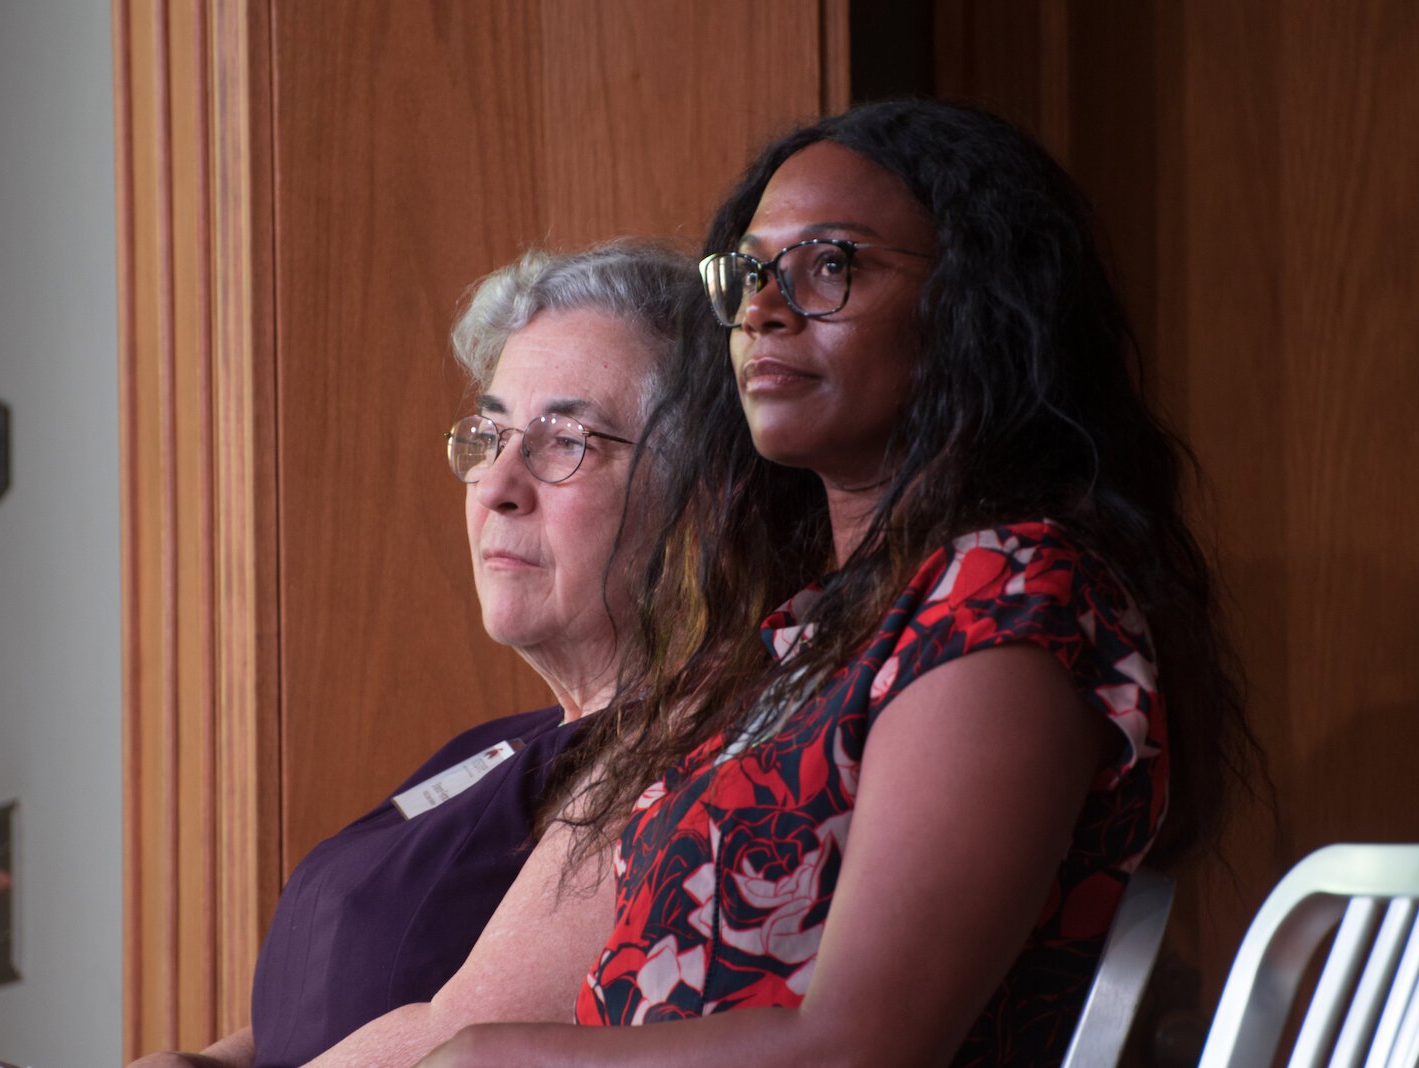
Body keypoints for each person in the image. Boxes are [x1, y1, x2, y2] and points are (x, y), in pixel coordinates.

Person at [419, 100, 1260, 1067]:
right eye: (750, 275)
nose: (765, 310)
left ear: (969, 307)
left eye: (831, 266)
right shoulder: (807, 632)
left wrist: (489, 1058)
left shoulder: (1008, 599)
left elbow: (862, 1050)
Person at [129, 240, 697, 1068]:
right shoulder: (496, 745)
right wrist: (207, 1062)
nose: (499, 482)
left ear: (695, 491)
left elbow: (454, 1042)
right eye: (493, 433)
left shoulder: (674, 754)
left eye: (565, 440)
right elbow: (346, 990)